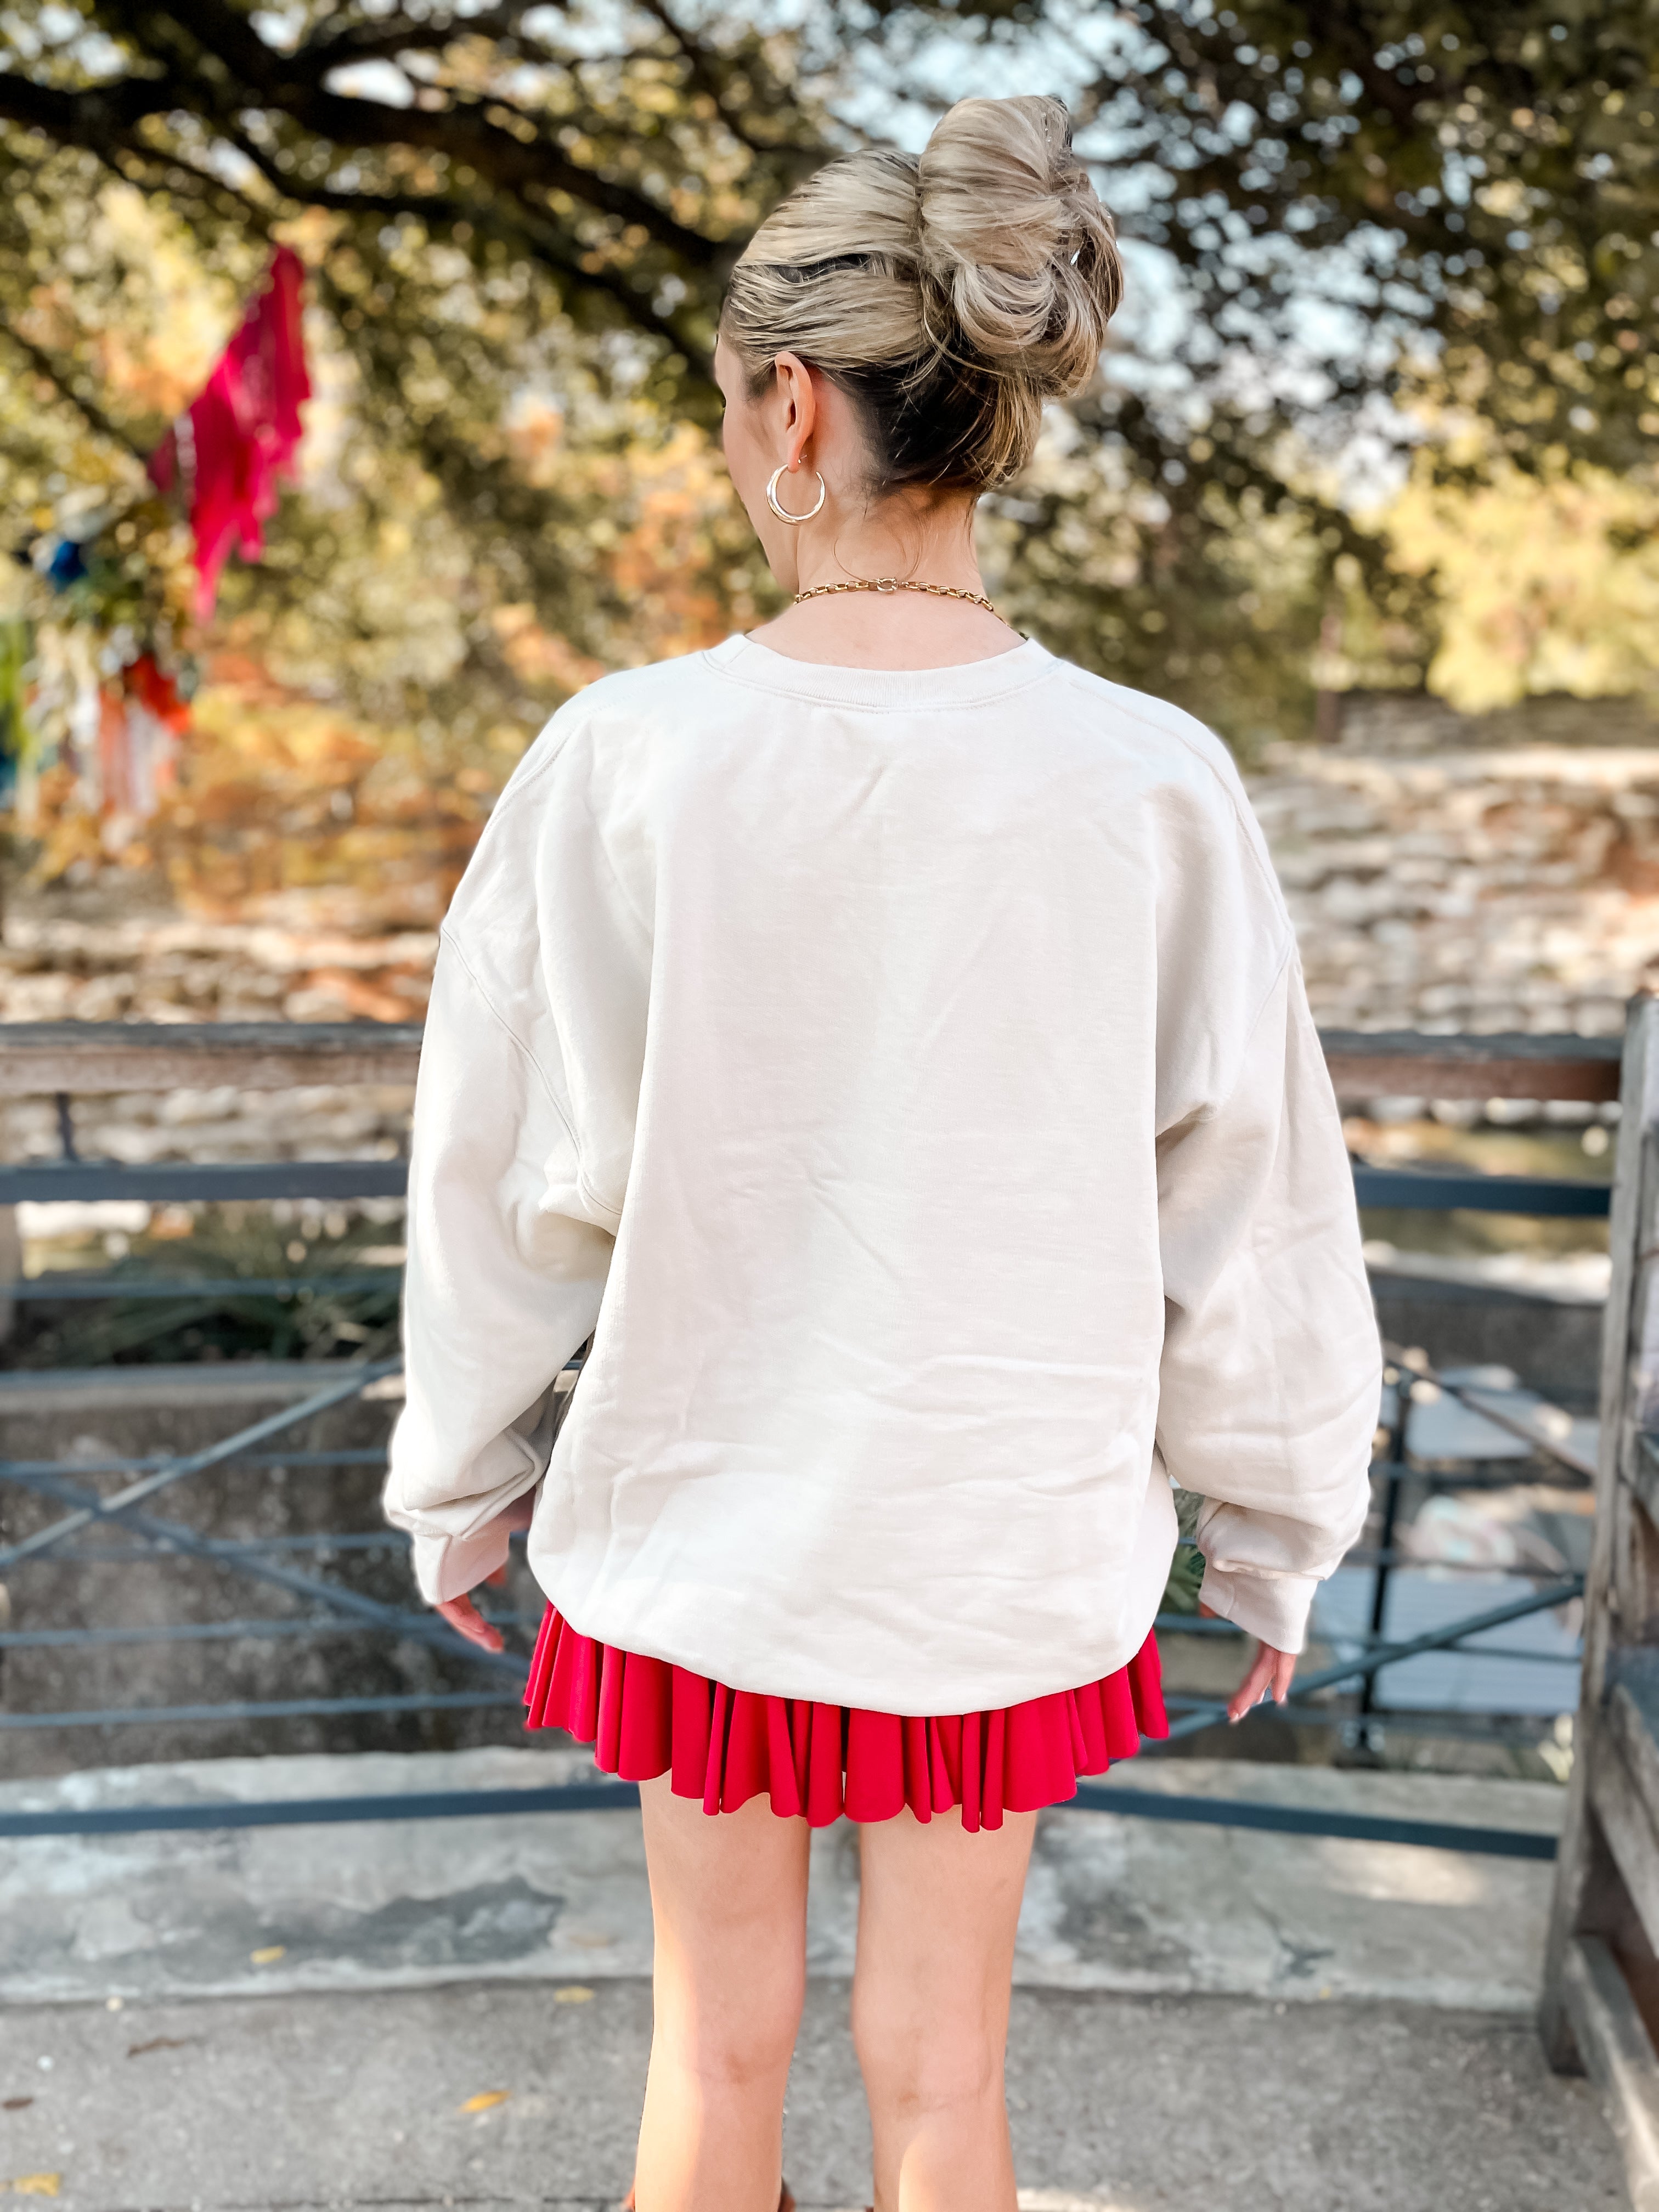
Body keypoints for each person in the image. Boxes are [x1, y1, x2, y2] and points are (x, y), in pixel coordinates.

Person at [383, 91, 1381, 2212]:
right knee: (945, 2080)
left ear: (788, 403)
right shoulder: (1152, 776)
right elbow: (1253, 1197)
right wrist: (1277, 1525)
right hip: (1001, 1553)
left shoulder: (623, 756)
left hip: (704, 1541)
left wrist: (460, 1477)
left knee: (712, 2057)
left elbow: (504, 1171)